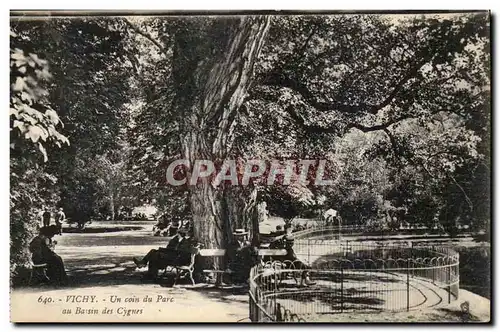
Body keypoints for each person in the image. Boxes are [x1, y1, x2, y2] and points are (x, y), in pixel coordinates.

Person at [133, 226, 198, 280]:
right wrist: (173, 242)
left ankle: (149, 272)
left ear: (181, 234)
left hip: (177, 259)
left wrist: (170, 248)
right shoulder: (176, 239)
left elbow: (179, 251)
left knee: (155, 255)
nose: (177, 234)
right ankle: (146, 267)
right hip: (171, 256)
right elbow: (169, 247)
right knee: (153, 252)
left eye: (178, 233)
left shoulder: (186, 242)